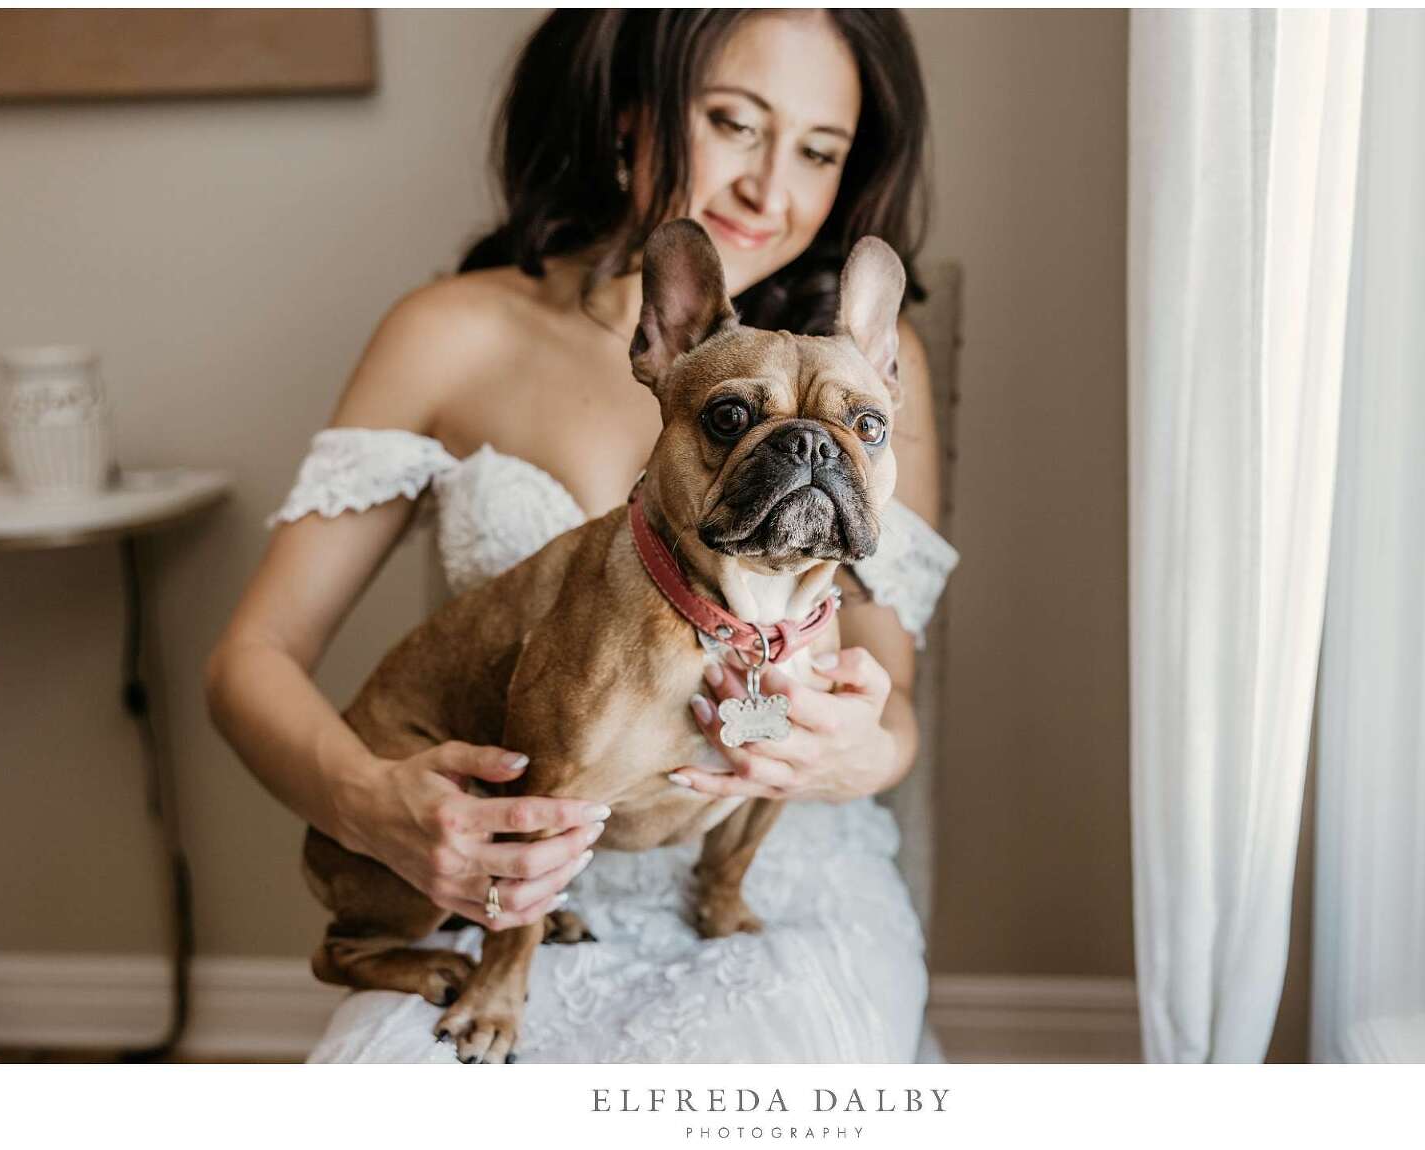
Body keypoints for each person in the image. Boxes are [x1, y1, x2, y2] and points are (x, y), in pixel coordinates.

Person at [206, 8, 958, 1063]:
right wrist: (372, 802)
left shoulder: (873, 366)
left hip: (760, 858)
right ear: (628, 115)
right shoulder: (451, 332)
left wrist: (852, 749)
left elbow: (895, 713)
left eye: (820, 150)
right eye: (735, 123)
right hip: (483, 873)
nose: (769, 187)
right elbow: (250, 661)